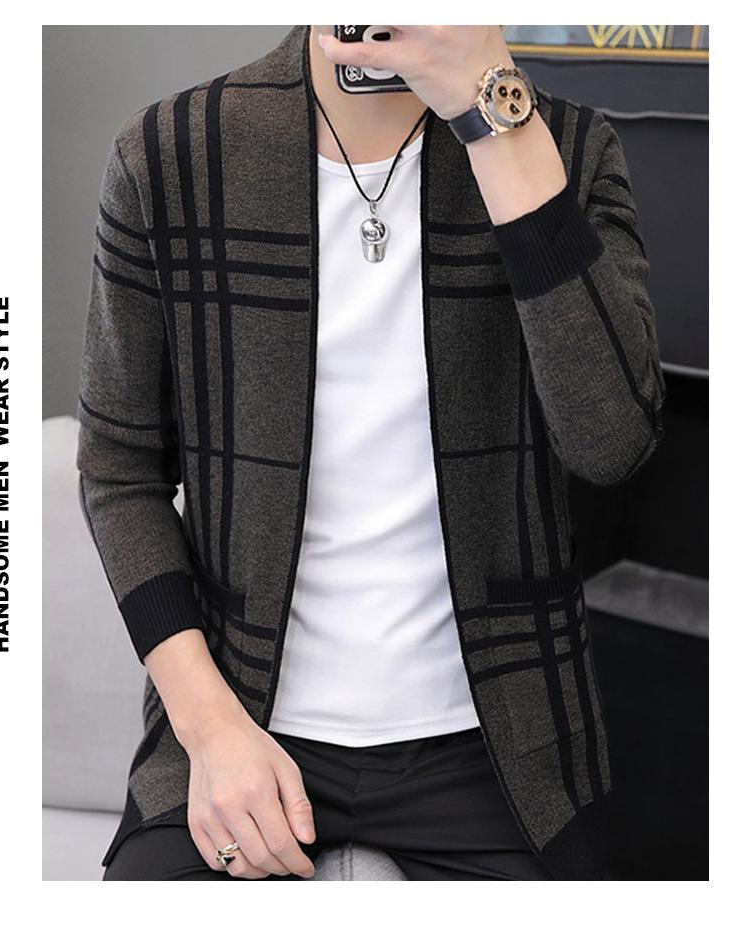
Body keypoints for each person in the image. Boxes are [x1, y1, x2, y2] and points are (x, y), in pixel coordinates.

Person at [77, 25, 665, 881]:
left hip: (505, 745)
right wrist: (209, 729)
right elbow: (118, 468)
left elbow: (612, 441)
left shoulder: (565, 146)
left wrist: (494, 117)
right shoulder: (171, 152)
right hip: (243, 716)